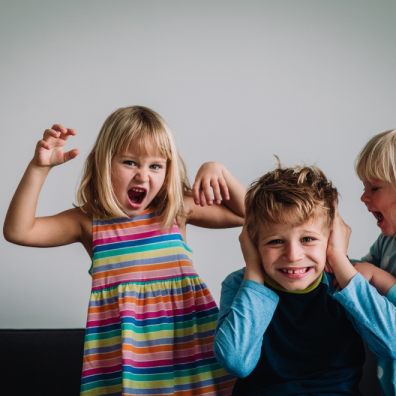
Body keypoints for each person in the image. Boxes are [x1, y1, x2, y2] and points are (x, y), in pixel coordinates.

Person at [3, 105, 245, 395]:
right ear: (104, 163)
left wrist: (219, 170)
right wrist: (39, 168)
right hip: (130, 366)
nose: (143, 176)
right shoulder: (88, 222)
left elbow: (249, 216)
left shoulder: (174, 210)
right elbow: (19, 231)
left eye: (155, 166)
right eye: (130, 162)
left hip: (189, 353)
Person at [213, 164, 396, 395]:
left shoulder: (346, 280)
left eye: (308, 239)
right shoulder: (241, 284)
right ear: (253, 242)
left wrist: (339, 259)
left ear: (331, 237)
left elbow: (392, 344)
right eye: (275, 241)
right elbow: (236, 362)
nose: (293, 256)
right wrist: (254, 273)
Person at [354, 129, 396, 396]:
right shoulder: (386, 243)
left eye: (374, 188)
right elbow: (358, 273)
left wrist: (381, 279)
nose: (364, 197)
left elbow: (371, 274)